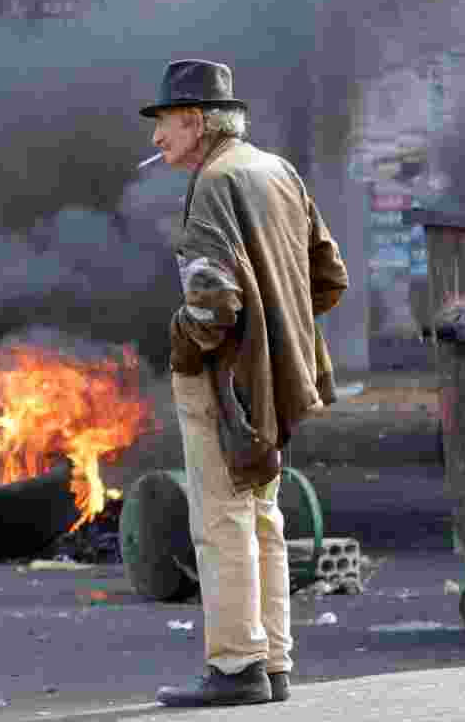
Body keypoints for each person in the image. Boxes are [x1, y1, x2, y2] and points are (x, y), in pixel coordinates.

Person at [141, 60, 348, 707]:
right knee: (262, 514)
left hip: (223, 383)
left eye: (166, 124)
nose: (156, 140)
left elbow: (211, 306)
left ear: (198, 122)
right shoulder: (276, 170)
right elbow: (330, 275)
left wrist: (181, 345)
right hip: (278, 380)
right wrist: (281, 332)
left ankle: (235, 666)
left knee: (222, 520)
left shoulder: (213, 185)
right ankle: (274, 661)